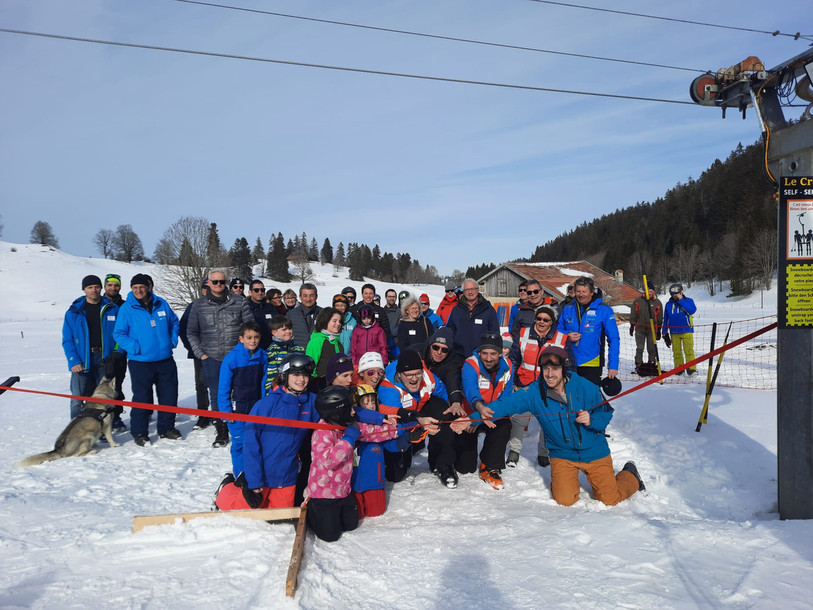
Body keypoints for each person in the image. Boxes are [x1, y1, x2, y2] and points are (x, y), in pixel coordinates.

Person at [452, 345, 645, 507]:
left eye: (555, 368)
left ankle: (631, 474)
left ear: (564, 369)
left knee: (609, 501)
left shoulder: (585, 386)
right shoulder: (535, 392)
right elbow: (504, 405)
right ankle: (566, 481)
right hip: (563, 454)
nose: (550, 374)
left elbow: (606, 412)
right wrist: (472, 419)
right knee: (565, 501)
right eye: (545, 368)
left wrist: (592, 420)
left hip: (594, 451)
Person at [225, 354, 319, 510]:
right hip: (262, 476)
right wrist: (253, 480)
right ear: (284, 376)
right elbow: (250, 444)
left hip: (287, 477)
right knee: (241, 515)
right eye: (296, 375)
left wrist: (372, 418)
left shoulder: (310, 402)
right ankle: (226, 488)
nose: (301, 379)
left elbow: (337, 408)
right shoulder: (267, 404)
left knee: (279, 523)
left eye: (305, 375)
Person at [307, 386, 399, 542]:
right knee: (330, 536)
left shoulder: (347, 426)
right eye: (349, 408)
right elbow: (329, 461)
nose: (354, 411)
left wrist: (400, 430)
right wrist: (348, 440)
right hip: (324, 495)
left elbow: (372, 432)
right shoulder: (321, 433)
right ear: (336, 413)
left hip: (343, 491)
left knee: (351, 525)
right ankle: (312, 509)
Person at [186, 269, 255, 448]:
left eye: (222, 282)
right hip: (212, 357)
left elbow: (249, 327)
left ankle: (242, 428)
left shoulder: (239, 301)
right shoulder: (199, 305)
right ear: (208, 283)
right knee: (218, 395)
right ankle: (221, 428)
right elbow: (191, 332)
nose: (218, 285)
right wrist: (201, 353)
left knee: (241, 393)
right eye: (215, 282)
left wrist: (244, 350)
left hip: (236, 356)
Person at [113, 273, 181, 445]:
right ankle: (139, 432)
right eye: (135, 288)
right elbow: (119, 334)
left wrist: (172, 340)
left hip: (165, 359)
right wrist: (136, 347)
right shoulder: (127, 308)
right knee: (142, 397)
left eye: (141, 287)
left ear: (148, 287)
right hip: (140, 362)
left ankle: (166, 428)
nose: (138, 291)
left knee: (169, 396)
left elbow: (174, 322)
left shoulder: (161, 303)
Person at [377, 350, 451, 487]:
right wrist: (421, 425)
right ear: (399, 374)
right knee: (395, 476)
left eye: (418, 373)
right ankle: (402, 451)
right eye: (409, 375)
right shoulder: (388, 388)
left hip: (420, 414)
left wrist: (455, 413)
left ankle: (442, 463)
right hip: (400, 427)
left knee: (442, 408)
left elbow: (444, 394)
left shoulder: (428, 377)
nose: (414, 378)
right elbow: (397, 420)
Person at [507, 304, 567, 468]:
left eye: (545, 319)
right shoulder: (523, 333)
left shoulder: (561, 338)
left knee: (548, 421)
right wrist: (512, 381)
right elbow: (514, 358)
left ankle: (543, 453)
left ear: (551, 322)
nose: (541, 322)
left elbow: (569, 365)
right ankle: (514, 451)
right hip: (525, 383)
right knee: (519, 419)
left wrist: (564, 384)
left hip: (550, 386)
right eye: (539, 318)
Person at [459, 333, 513, 489]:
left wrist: (491, 413)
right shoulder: (471, 364)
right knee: (465, 467)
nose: (488, 358)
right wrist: (477, 413)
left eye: (493, 354)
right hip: (472, 413)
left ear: (500, 353)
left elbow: (507, 397)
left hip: (494, 412)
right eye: (485, 353)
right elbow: (470, 390)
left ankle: (489, 466)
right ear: (479, 352)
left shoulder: (508, 366)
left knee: (505, 424)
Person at [62, 274, 119, 419]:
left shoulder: (112, 309)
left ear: (101, 288)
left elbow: (121, 333)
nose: (93, 290)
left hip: (104, 359)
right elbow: (67, 340)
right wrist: (73, 361)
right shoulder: (74, 312)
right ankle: (76, 433)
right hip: (82, 360)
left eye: (96, 287)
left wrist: (116, 353)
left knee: (102, 399)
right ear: (84, 290)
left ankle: (100, 431)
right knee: (78, 399)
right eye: (90, 287)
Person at [217, 321, 268, 477]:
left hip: (255, 406)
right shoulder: (231, 359)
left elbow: (263, 383)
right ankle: (240, 474)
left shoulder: (262, 356)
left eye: (256, 337)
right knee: (240, 443)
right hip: (237, 408)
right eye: (249, 337)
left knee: (256, 442)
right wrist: (226, 411)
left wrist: (264, 404)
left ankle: (254, 473)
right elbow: (223, 388)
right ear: (241, 338)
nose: (252, 341)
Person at [556, 276, 620, 386]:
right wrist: (567, 335)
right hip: (569, 362)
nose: (581, 295)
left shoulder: (604, 310)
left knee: (590, 399)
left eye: (584, 291)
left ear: (591, 292)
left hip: (592, 364)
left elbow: (614, 338)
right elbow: (557, 331)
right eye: (578, 291)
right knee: (570, 398)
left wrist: (613, 365)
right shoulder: (568, 308)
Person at [179, 279, 211, 429]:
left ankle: (221, 415)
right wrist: (193, 349)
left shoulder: (225, 303)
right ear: (202, 289)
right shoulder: (194, 306)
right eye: (205, 287)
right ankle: (203, 414)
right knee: (201, 384)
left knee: (223, 384)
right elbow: (184, 329)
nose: (208, 289)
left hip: (221, 352)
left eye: (211, 286)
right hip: (200, 353)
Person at [445, 278, 500, 359]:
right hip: (458, 357)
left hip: (481, 358)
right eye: (467, 290)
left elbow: (495, 334)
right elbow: (449, 332)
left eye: (472, 289)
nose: (470, 292)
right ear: (463, 292)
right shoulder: (456, 309)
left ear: (477, 290)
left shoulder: (488, 309)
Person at [662, 283, 697, 376]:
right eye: (673, 294)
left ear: (681, 292)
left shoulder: (688, 301)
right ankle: (679, 369)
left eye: (677, 293)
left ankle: (691, 369)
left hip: (686, 331)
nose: (675, 295)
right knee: (676, 352)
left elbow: (691, 310)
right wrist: (664, 332)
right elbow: (666, 319)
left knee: (689, 351)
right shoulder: (669, 304)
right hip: (674, 332)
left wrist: (681, 300)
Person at [305, 307, 343, 389]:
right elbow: (310, 365)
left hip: (337, 384)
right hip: (320, 385)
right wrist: (314, 382)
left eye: (340, 321)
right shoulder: (317, 341)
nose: (338, 324)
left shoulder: (338, 342)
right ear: (325, 321)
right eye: (334, 321)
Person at [265, 314, 305, 392]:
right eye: (284, 329)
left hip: (298, 388)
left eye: (290, 329)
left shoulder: (299, 349)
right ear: (274, 332)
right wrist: (272, 392)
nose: (288, 332)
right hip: (280, 391)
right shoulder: (272, 351)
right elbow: (271, 376)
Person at [629, 288, 663, 374]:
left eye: (651, 291)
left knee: (651, 348)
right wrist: (632, 325)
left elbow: (659, 316)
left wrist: (659, 329)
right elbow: (634, 313)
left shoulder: (657, 302)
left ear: (654, 292)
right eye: (648, 291)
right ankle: (638, 364)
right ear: (645, 291)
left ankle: (651, 363)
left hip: (652, 330)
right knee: (640, 348)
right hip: (640, 329)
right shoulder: (638, 300)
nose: (649, 293)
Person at [350, 283, 393, 348]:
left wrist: (381, 346)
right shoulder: (354, 310)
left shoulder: (380, 311)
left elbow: (386, 331)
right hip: (358, 346)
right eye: (366, 293)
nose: (368, 296)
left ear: (374, 295)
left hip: (375, 347)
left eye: (370, 293)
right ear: (362, 294)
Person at [287, 283, 322, 348]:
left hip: (318, 353)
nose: (308, 299)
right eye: (305, 296)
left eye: (311, 295)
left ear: (316, 296)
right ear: (300, 297)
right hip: (297, 353)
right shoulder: (291, 314)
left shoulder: (324, 314)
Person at [247, 280, 276, 350]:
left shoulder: (270, 307)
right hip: (254, 348)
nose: (260, 293)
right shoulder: (246, 308)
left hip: (271, 347)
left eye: (262, 290)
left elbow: (277, 324)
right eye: (256, 290)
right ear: (250, 292)